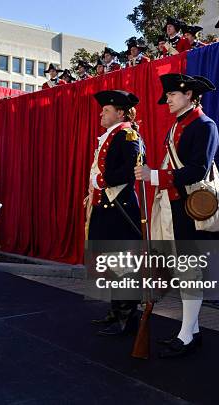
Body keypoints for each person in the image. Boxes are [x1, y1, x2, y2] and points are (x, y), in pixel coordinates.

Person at [135, 73, 219, 357]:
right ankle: (192, 331)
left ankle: (186, 335)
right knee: (184, 271)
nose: (169, 100)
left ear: (189, 94)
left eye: (172, 95)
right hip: (175, 206)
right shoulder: (178, 125)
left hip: (191, 208)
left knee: (190, 272)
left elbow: (198, 169)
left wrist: (155, 176)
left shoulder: (204, 125)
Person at [86, 90, 143, 336]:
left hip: (119, 209)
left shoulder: (128, 135)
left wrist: (102, 179)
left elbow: (131, 170)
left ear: (120, 113)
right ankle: (115, 311)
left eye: (106, 110)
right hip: (105, 207)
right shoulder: (112, 134)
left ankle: (127, 319)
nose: (101, 113)